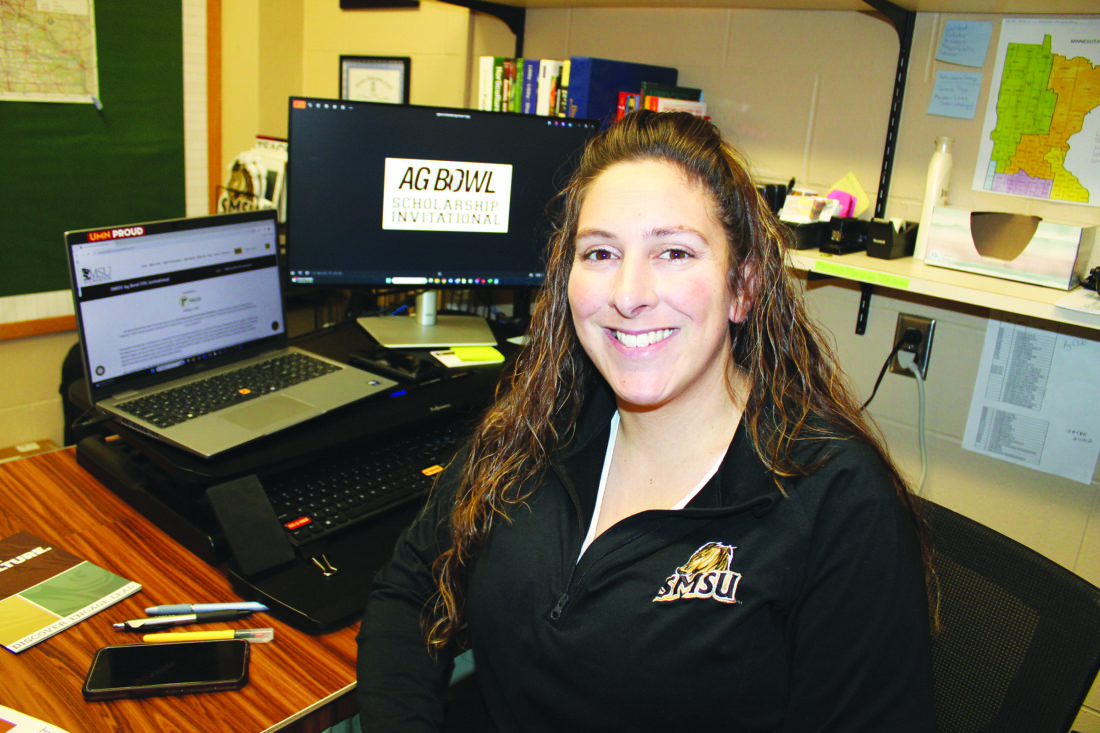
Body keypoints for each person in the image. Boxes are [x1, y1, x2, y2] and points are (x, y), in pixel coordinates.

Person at [356, 110, 936, 732]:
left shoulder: (837, 500)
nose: (628, 294)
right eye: (600, 252)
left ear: (743, 288)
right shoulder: (536, 424)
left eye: (675, 251)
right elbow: (410, 591)